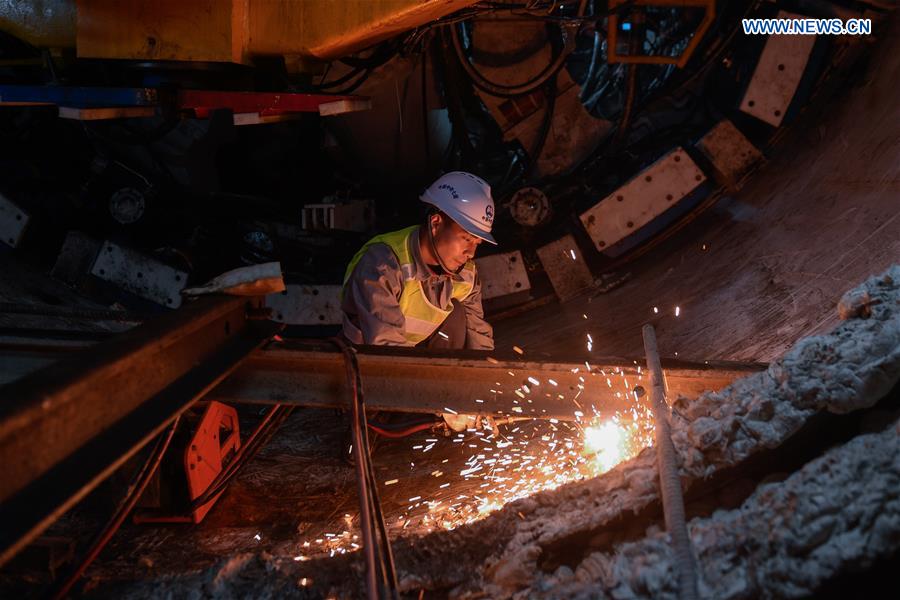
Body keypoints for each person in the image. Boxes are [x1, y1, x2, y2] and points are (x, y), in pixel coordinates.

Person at [341, 171, 496, 351]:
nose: (471, 253)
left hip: (412, 354)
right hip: (365, 360)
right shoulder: (383, 263)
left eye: (477, 243)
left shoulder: (466, 273)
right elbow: (385, 345)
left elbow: (479, 336)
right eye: (466, 239)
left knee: (457, 314)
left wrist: (487, 373)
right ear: (436, 223)